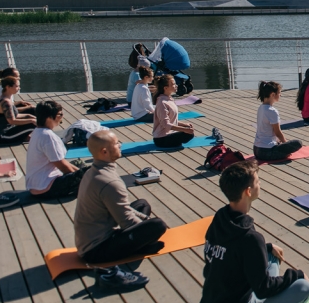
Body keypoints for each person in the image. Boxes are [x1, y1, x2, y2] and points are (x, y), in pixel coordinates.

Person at [200, 162, 309, 303]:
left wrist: (267, 246)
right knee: (304, 287)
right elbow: (264, 289)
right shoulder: (250, 237)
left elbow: (231, 252)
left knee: (271, 254)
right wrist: (296, 275)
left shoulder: (221, 217)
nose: (260, 183)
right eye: (257, 181)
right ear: (248, 191)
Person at [74, 129, 167, 290]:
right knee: (158, 225)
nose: (120, 145)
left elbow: (124, 209)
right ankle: (142, 246)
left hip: (95, 235)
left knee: (142, 204)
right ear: (104, 151)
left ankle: (141, 244)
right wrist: (149, 229)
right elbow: (127, 222)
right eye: (117, 144)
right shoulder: (109, 182)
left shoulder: (93, 171)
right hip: (96, 250)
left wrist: (145, 221)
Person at [26, 101, 89, 199]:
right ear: (49, 117)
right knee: (90, 173)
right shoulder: (48, 137)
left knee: (79, 164)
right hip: (45, 187)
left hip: (37, 184)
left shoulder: (37, 131)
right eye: (60, 114)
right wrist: (85, 176)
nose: (62, 117)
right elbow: (63, 167)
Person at [254, 81, 302, 162]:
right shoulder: (272, 111)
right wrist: (286, 145)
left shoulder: (261, 108)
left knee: (279, 142)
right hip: (267, 151)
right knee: (298, 143)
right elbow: (278, 132)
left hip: (256, 150)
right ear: (273, 94)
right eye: (279, 93)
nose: (280, 95)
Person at [0, 76, 37, 144]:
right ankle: (26, 137)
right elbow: (12, 121)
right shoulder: (6, 102)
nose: (19, 88)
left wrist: (29, 116)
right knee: (33, 124)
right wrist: (31, 120)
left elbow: (15, 115)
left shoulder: (5, 98)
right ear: (8, 87)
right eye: (17, 86)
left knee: (33, 116)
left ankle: (25, 136)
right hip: (1, 136)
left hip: (2, 133)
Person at [152, 75, 195, 148]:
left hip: (169, 134)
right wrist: (184, 129)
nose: (176, 85)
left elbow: (172, 120)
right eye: (173, 84)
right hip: (161, 139)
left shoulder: (169, 99)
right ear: (165, 88)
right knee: (189, 134)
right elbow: (166, 124)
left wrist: (184, 125)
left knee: (189, 131)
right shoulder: (162, 102)